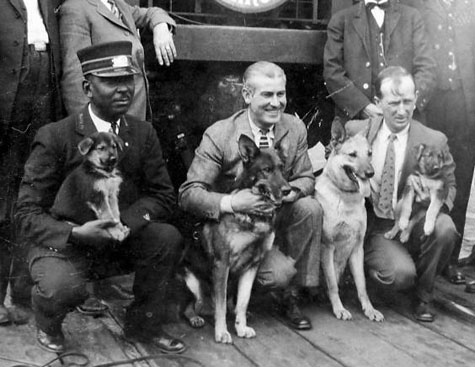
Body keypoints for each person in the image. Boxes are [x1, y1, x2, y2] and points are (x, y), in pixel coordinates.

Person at [14, 41, 186, 354]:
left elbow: (162, 195)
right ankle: (49, 324)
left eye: (128, 80)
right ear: (87, 87)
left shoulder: (143, 133)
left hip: (119, 238)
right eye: (110, 81)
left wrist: (123, 223)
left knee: (166, 237)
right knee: (60, 285)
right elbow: (26, 212)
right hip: (67, 245)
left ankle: (143, 326)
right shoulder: (57, 136)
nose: (123, 89)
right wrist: (75, 233)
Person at [179, 61, 322, 331]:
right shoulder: (221, 134)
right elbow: (189, 194)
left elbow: (306, 177)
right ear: (246, 96)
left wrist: (288, 195)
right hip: (237, 228)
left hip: (275, 223)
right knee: (277, 275)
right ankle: (272, 283)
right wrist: (232, 202)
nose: (276, 103)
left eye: (281, 94)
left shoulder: (294, 127)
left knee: (310, 207)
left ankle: (292, 294)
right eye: (267, 95)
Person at [346, 66, 458, 322]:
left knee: (445, 227)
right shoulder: (358, 131)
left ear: (416, 99)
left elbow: (450, 188)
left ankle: (424, 296)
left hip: (416, 219)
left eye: (408, 101)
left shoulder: (433, 139)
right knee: (399, 275)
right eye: (394, 103)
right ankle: (378, 270)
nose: (402, 110)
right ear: (377, 102)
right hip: (376, 226)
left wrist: (427, 201)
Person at [0, 0, 63, 326]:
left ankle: (22, 294)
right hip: (5, 116)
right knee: (1, 208)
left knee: (33, 203)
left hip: (42, 111)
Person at [422, 0, 475, 283]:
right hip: (431, 103)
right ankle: (423, 253)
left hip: (467, 104)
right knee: (426, 176)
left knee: (461, 180)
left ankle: (449, 260)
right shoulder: (419, 4)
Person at [59, 0, 177, 120]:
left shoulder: (117, 5)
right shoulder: (75, 8)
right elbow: (74, 79)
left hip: (134, 119)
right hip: (107, 123)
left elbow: (151, 13)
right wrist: (89, 127)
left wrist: (160, 27)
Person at [323, 0, 436, 123]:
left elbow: (427, 68)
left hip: (406, 120)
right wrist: (363, 107)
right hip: (358, 121)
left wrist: (406, 104)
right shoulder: (341, 20)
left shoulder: (412, 17)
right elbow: (332, 73)